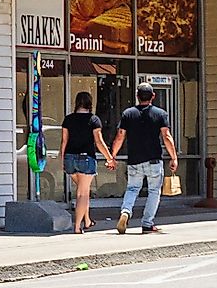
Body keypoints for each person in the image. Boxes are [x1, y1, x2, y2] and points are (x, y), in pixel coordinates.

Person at [109, 82, 179, 233]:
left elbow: (120, 136)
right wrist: (173, 157)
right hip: (154, 159)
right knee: (154, 191)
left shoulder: (128, 114)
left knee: (132, 188)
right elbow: (166, 136)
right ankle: (147, 223)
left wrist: (112, 156)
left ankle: (125, 211)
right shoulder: (160, 114)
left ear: (137, 96)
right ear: (153, 96)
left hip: (134, 159)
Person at [61, 90, 104, 232]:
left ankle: (87, 220)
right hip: (86, 159)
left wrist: (62, 159)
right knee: (82, 194)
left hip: (70, 159)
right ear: (90, 103)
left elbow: (64, 141)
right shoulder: (94, 119)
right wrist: (109, 157)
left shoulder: (68, 119)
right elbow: (98, 141)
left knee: (83, 190)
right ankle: (77, 226)